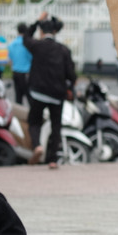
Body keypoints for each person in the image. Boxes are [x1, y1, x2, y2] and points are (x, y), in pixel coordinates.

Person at [23, 13, 76, 169]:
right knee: (56, 126)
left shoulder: (36, 46)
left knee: (34, 121)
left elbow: (25, 37)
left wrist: (37, 21)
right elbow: (71, 75)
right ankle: (52, 159)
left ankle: (37, 146)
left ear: (41, 32)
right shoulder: (64, 50)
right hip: (57, 94)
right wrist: (69, 88)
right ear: (55, 32)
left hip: (38, 92)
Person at [8, 23, 33, 105]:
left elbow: (10, 60)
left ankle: (19, 117)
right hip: (27, 74)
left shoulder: (12, 44)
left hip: (16, 73)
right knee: (30, 98)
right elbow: (32, 59)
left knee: (18, 98)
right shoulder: (28, 44)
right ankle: (32, 117)